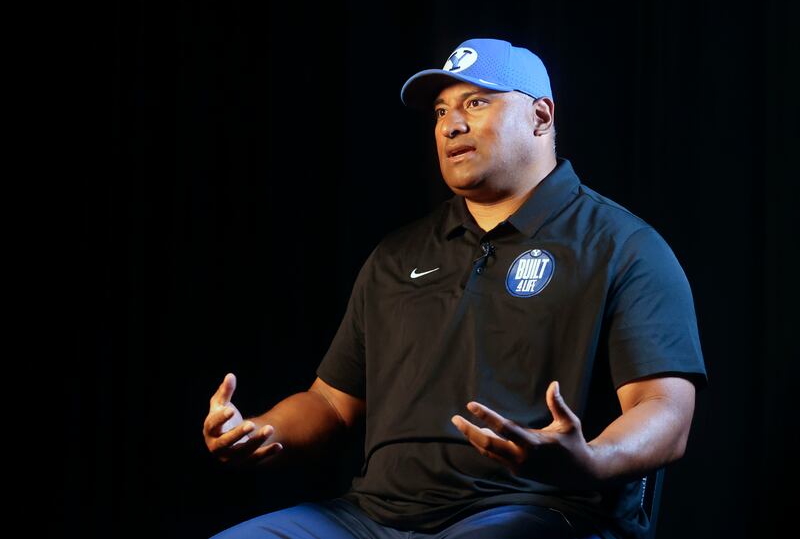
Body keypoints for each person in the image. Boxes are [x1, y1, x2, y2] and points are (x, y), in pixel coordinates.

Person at [203, 38, 707, 539]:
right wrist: (262, 431)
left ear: (541, 116)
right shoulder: (398, 255)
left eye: (476, 102)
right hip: (371, 518)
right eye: (441, 111)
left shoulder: (623, 246)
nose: (451, 124)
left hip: (536, 509)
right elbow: (332, 404)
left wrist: (591, 460)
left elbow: (663, 409)